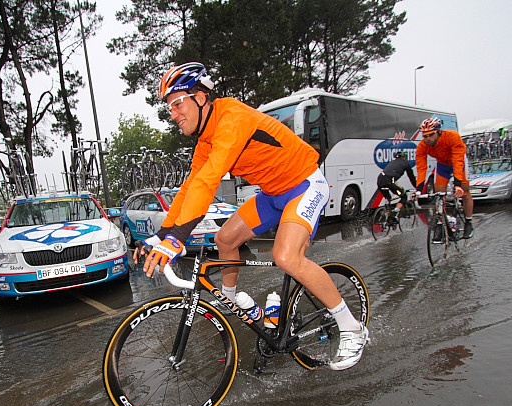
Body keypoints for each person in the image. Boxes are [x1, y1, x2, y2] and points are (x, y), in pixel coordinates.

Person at [134, 62, 368, 371]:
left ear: (200, 97)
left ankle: (352, 329)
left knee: (287, 256)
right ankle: (229, 300)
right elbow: (191, 186)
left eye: (178, 103)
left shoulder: (231, 119)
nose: (174, 113)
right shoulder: (206, 139)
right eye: (169, 107)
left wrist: (178, 238)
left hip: (304, 185)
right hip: (273, 194)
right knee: (224, 238)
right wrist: (163, 235)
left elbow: (209, 181)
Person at [415, 117, 475, 239]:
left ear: (438, 132)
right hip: (442, 165)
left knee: (465, 192)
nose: (427, 139)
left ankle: (468, 222)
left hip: (458, 163)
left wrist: (458, 185)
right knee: (439, 194)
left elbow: (458, 162)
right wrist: (419, 189)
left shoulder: (452, 137)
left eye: (431, 135)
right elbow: (421, 168)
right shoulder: (422, 146)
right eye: (425, 136)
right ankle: (440, 223)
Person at [376, 151, 417, 223]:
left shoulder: (393, 162)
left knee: (388, 197)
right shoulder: (406, 164)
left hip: (379, 180)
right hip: (389, 181)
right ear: (404, 157)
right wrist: (417, 188)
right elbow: (411, 178)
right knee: (404, 195)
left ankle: (387, 214)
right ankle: (394, 214)